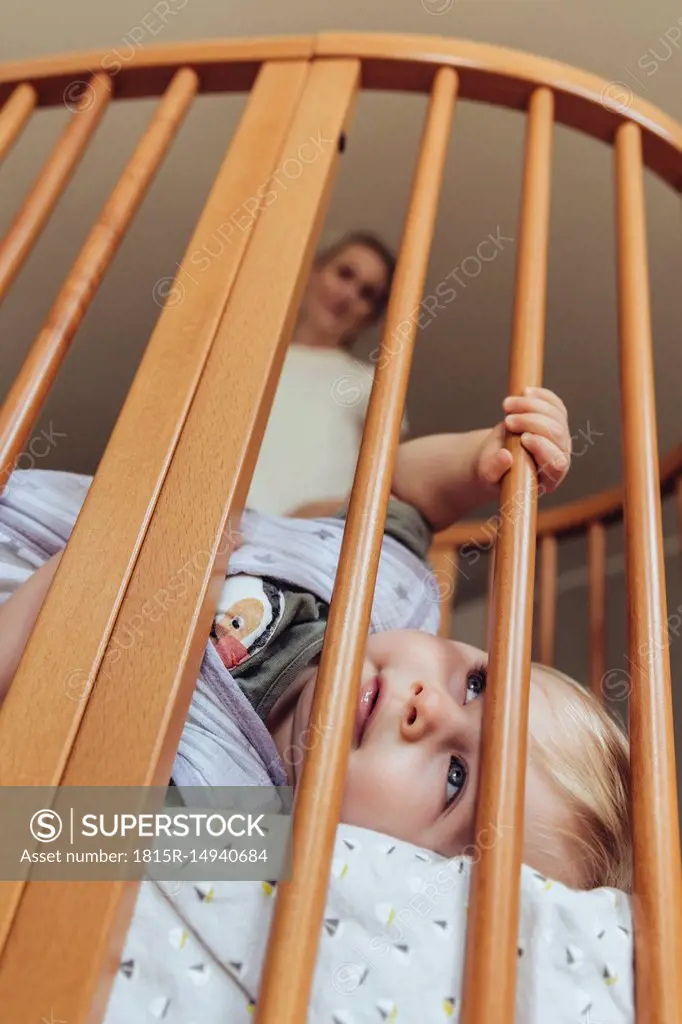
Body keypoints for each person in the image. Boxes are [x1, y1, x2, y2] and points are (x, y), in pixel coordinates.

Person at [0, 386, 631, 891]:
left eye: (456, 778)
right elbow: (403, 493)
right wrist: (476, 461)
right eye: (476, 684)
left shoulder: (235, 832)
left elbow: (24, 828)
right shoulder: (385, 596)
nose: (427, 707)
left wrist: (96, 574)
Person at [246, 231, 401, 516]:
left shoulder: (371, 383)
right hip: (224, 534)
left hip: (315, 541)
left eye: (366, 293)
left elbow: (387, 482)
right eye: (344, 274)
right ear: (315, 270)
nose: (347, 295)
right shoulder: (249, 362)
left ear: (370, 318)